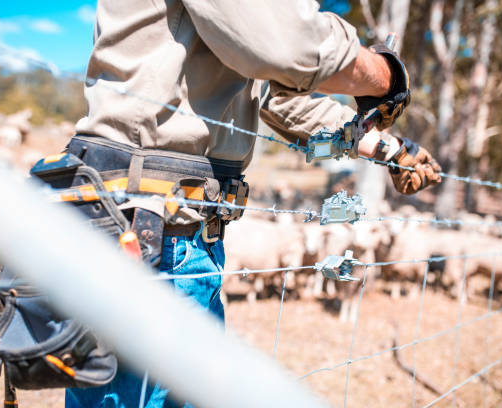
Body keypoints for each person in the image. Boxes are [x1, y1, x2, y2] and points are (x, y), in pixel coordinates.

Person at [64, 1, 442, 407]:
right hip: (146, 228)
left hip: (187, 235)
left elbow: (279, 97)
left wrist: (387, 147)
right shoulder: (255, 27)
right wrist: (385, 75)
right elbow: (284, 44)